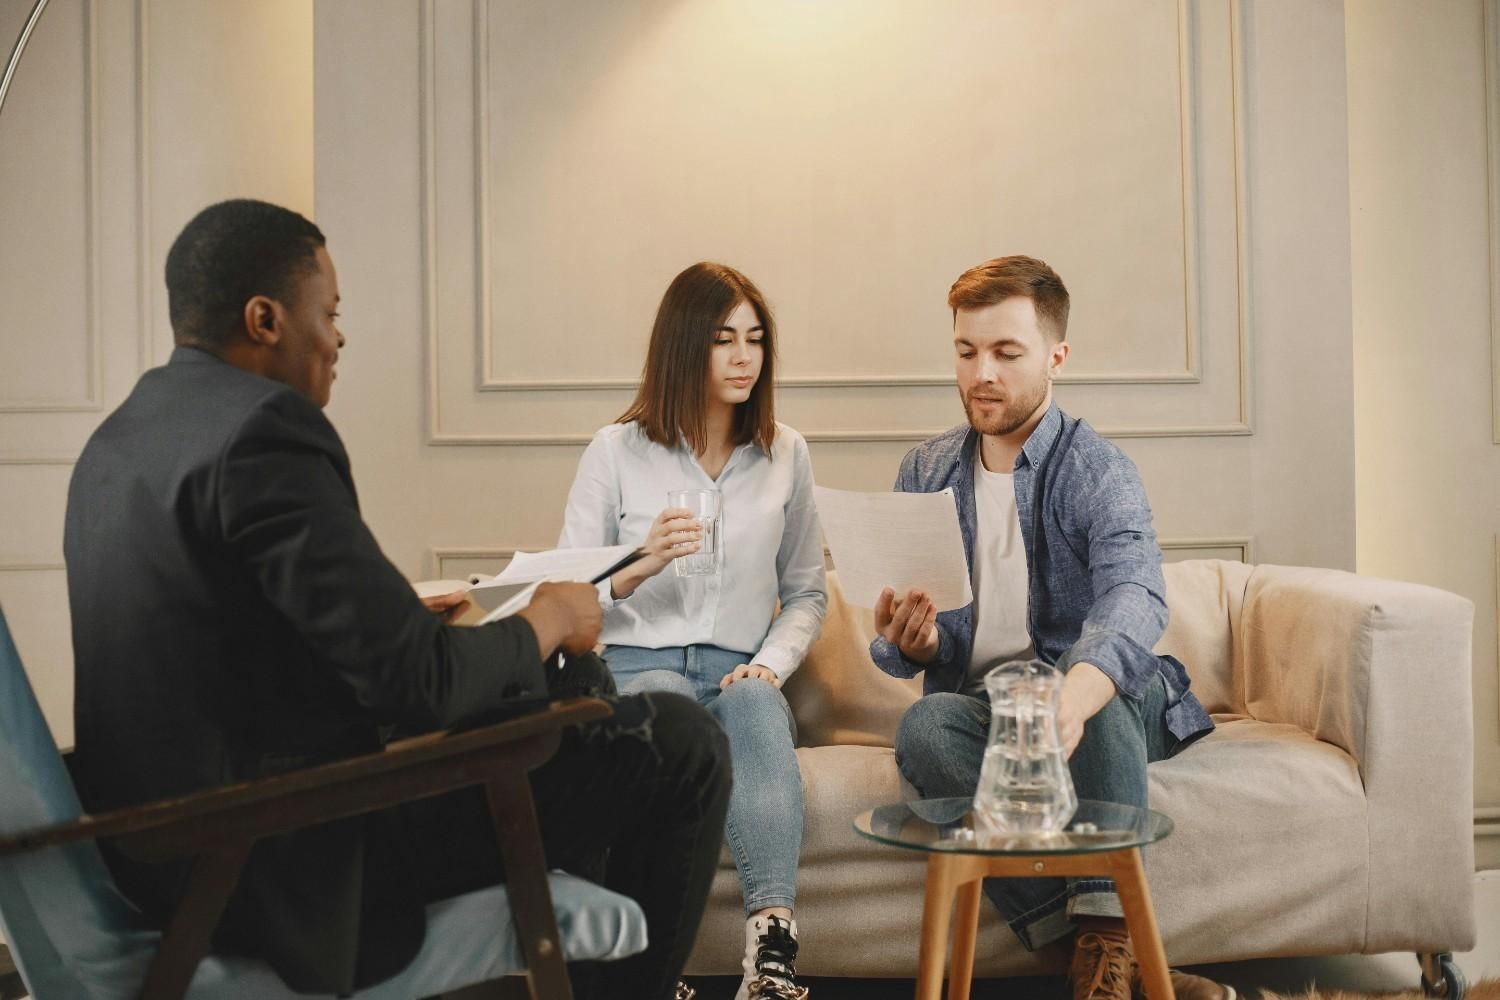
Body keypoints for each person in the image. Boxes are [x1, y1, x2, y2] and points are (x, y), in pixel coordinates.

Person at [63, 198, 730, 1000]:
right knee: (682, 741)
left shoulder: (121, 439)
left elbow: (220, 650)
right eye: (329, 313)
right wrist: (551, 613)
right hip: (275, 861)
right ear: (265, 319)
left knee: (572, 689)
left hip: (166, 851)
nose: (338, 338)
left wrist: (403, 623)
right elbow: (423, 684)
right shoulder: (263, 433)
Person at [870, 256, 1233, 1000]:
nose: (982, 374)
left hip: (1105, 703)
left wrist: (1073, 694)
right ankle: (1100, 954)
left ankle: (1108, 943)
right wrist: (919, 642)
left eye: (1007, 353)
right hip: (992, 709)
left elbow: (1136, 594)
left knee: (1089, 688)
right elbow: (913, 641)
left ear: (1056, 357)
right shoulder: (927, 469)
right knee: (926, 727)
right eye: (967, 351)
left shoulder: (1098, 470)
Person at [559, 262, 826, 1000]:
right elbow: (566, 595)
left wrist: (769, 664)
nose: (744, 357)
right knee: (666, 698)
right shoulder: (615, 450)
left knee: (754, 702)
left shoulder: (786, 453)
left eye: (755, 339)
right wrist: (637, 567)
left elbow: (807, 591)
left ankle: (771, 955)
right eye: (722, 339)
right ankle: (650, 971)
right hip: (636, 664)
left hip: (738, 665)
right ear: (684, 345)